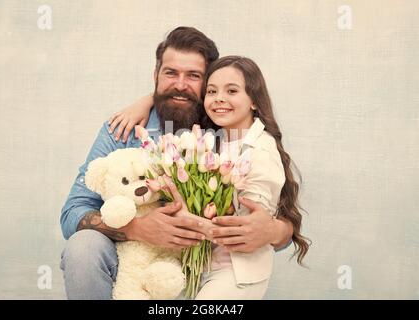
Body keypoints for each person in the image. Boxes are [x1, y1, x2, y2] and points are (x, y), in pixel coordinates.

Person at [60, 26, 294, 300]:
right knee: (82, 247)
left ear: (207, 83)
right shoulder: (124, 129)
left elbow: (276, 213)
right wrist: (137, 229)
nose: (180, 85)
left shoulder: (222, 128)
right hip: (132, 265)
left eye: (193, 76)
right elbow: (72, 213)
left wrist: (274, 230)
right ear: (155, 76)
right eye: (170, 73)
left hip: (202, 268)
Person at [109, 55, 310, 299]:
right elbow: (177, 92)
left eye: (232, 91)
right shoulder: (218, 139)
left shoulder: (260, 149)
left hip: (236, 273)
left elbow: (245, 232)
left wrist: (187, 220)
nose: (219, 99)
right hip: (201, 267)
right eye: (212, 91)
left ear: (254, 101)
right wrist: (146, 101)